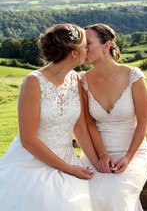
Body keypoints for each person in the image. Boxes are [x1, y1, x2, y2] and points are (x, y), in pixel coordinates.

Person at [0, 23, 99, 211]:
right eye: (85, 45)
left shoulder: (75, 79)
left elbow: (80, 127)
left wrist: (97, 162)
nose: (88, 49)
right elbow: (28, 139)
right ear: (73, 53)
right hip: (32, 160)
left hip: (67, 155)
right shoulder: (33, 82)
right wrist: (69, 169)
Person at [80, 23, 147, 211]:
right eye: (81, 45)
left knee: (119, 193)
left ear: (107, 45)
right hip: (97, 154)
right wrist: (101, 156)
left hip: (133, 153)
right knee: (86, 194)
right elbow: (88, 122)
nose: (84, 49)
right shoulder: (83, 80)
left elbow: (143, 122)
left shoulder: (133, 76)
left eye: (88, 44)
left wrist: (128, 157)